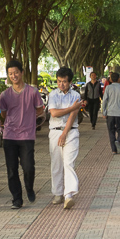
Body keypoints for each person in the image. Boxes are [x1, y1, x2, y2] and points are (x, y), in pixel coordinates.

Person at [0, 59, 45, 210]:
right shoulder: (4, 95)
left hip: (27, 136)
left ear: (22, 72)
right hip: (9, 136)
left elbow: (39, 110)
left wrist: (28, 120)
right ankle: (17, 198)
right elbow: (3, 114)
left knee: (28, 167)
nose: (14, 76)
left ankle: (29, 188)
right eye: (10, 73)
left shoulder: (32, 92)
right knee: (11, 170)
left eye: (16, 72)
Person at [48, 67, 84, 209]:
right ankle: (57, 192)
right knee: (56, 163)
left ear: (70, 82)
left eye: (64, 81)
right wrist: (73, 108)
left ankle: (68, 194)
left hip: (71, 131)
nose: (61, 84)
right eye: (59, 81)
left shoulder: (75, 95)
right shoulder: (53, 95)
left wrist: (65, 134)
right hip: (55, 131)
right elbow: (54, 113)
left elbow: (72, 116)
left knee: (69, 163)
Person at [101, 71, 120, 153]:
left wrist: (104, 112)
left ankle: (114, 150)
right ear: (119, 79)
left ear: (110, 79)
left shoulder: (108, 88)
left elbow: (104, 101)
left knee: (111, 131)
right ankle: (119, 140)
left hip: (110, 113)